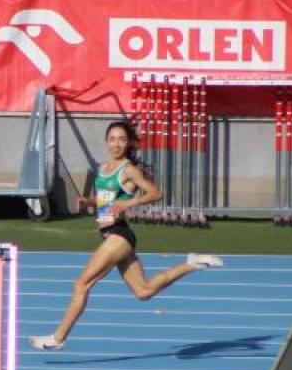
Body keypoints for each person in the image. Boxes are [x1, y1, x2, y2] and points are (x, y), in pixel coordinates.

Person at [29, 121, 223, 351]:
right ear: (106, 141)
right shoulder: (102, 169)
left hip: (119, 235)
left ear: (129, 143)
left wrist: (128, 203)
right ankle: (191, 263)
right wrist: (88, 202)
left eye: (122, 139)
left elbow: (155, 193)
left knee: (81, 283)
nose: (117, 144)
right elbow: (105, 201)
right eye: (112, 139)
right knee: (144, 292)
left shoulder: (129, 169)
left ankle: (58, 338)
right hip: (110, 235)